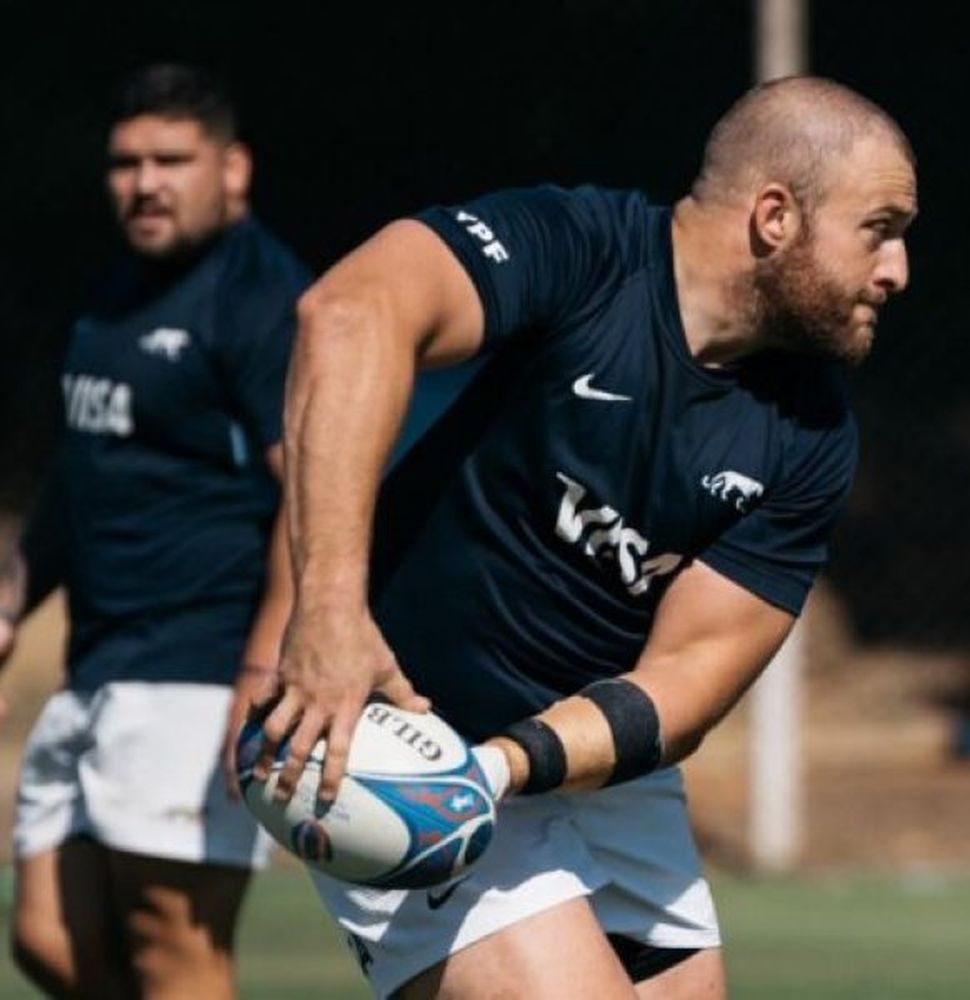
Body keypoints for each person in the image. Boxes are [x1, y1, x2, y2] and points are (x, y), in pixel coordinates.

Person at [239, 75, 915, 998]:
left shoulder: (810, 430)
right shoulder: (579, 250)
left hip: (571, 764)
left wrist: (504, 767)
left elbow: (688, 679)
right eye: (880, 229)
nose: (897, 271)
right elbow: (350, 313)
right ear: (774, 217)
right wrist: (328, 614)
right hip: (407, 738)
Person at [0, 64, 308, 998]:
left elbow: (315, 502)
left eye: (172, 160)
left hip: (197, 670)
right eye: (127, 162)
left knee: (175, 954)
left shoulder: (262, 300)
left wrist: (262, 672)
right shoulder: (113, 296)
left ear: (235, 169)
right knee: (49, 941)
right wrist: (15, 595)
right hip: (98, 664)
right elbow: (82, 474)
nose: (145, 182)